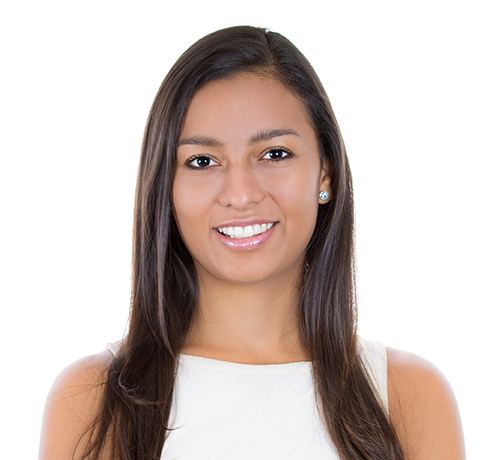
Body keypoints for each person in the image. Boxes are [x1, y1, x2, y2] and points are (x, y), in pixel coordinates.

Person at [38, 25, 465, 459]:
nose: (241, 193)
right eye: (201, 161)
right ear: (165, 188)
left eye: (274, 154)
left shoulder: (408, 397)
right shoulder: (93, 401)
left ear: (325, 173)